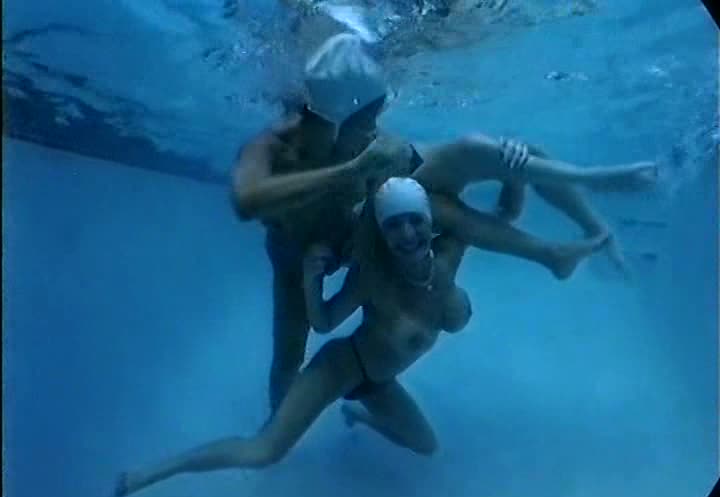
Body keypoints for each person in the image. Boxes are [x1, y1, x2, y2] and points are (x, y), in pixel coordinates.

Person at [231, 32, 658, 415]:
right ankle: (276, 433)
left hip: (357, 232)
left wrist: (520, 160)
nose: (363, 126)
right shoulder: (271, 148)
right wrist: (351, 170)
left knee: (472, 168)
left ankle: (583, 217)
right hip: (298, 255)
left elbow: (468, 157)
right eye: (354, 118)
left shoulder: (362, 133)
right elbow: (247, 201)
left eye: (366, 116)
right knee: (288, 355)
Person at [113, 176, 609, 497]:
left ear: (430, 221)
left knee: (425, 445)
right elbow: (325, 322)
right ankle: (153, 473)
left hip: (378, 384)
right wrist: (311, 280)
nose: (408, 234)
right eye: (394, 226)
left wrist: (514, 173)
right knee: (264, 452)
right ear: (383, 233)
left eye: (415, 221)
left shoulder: (449, 257)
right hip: (342, 367)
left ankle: (360, 416)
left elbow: (499, 217)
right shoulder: (373, 275)